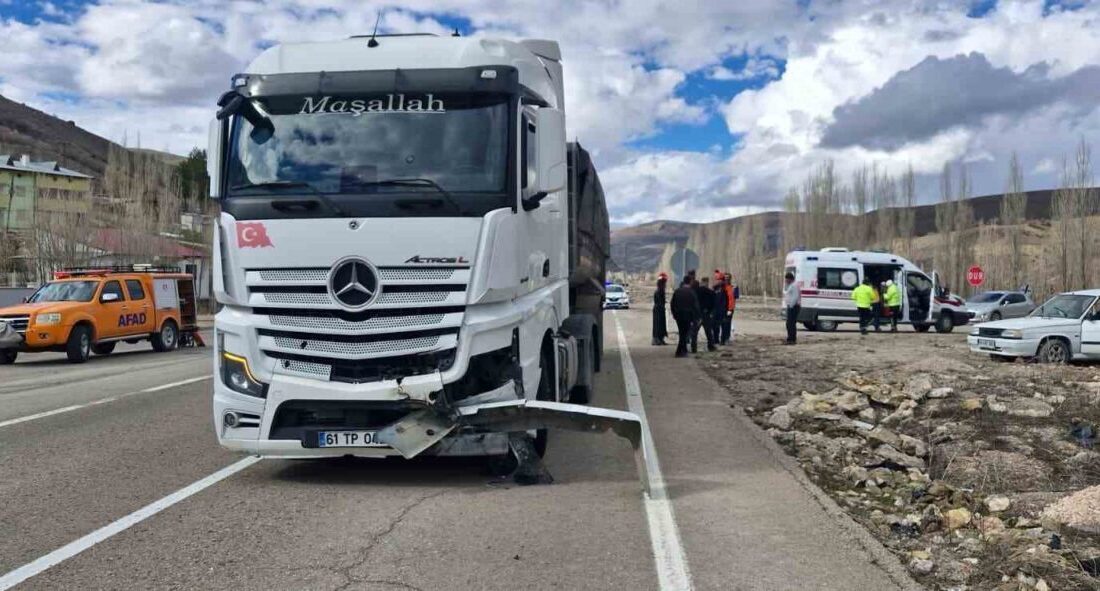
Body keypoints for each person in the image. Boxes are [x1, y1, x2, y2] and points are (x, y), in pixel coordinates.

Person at [670, 276, 701, 358]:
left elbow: (672, 304)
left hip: (678, 315)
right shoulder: (691, 292)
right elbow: (695, 306)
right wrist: (697, 317)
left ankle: (681, 351)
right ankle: (680, 352)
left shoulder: (677, 291)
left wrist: (674, 314)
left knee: (682, 333)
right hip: (688, 316)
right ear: (690, 282)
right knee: (684, 333)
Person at [692, 276, 717, 352]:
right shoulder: (711, 292)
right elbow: (714, 304)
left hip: (697, 314)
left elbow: (693, 302)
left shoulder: (695, 291)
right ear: (707, 282)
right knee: (708, 331)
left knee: (695, 332)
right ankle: (711, 346)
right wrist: (710, 311)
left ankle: (694, 348)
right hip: (706, 314)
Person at [783, 272, 800, 345]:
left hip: (794, 306)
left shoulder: (794, 286)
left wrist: (791, 305)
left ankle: (792, 339)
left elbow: (795, 296)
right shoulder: (791, 285)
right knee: (789, 323)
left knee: (791, 323)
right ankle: (790, 338)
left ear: (790, 279)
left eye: (786, 279)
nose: (786, 281)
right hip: (791, 306)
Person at [651, 273, 669, 345]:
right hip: (658, 310)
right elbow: (659, 301)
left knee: (662, 325)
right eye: (665, 283)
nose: (666, 285)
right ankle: (656, 339)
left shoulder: (661, 290)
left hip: (660, 309)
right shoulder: (659, 291)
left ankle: (661, 339)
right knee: (658, 325)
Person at [713, 275, 729, 346]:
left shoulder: (725, 290)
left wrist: (726, 310)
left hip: (722, 311)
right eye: (717, 280)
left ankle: (722, 340)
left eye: (720, 280)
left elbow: (726, 302)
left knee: (723, 326)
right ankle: (716, 340)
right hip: (715, 311)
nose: (718, 281)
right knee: (715, 327)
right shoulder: (714, 289)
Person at [722, 272, 737, 344]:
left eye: (728, 278)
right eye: (725, 277)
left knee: (727, 323)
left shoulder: (733, 287)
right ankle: (721, 338)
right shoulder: (721, 287)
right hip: (721, 308)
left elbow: (736, 296)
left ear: (730, 278)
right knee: (721, 323)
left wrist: (736, 290)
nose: (726, 279)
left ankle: (726, 338)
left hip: (730, 308)